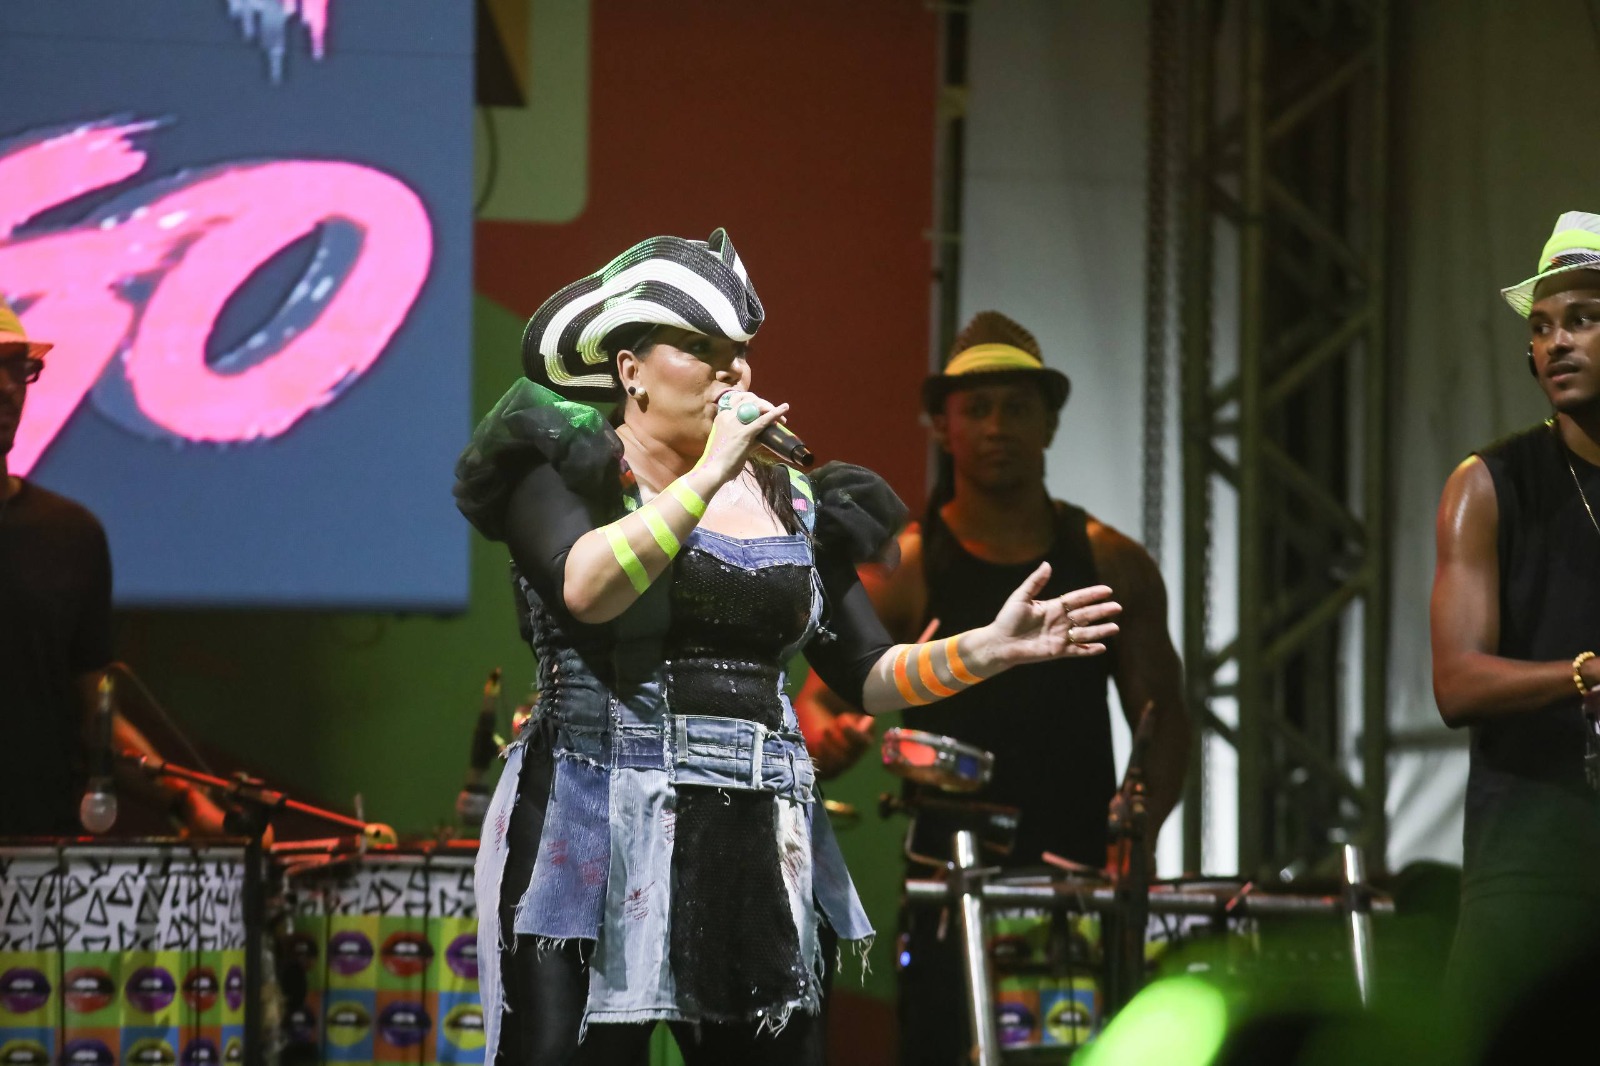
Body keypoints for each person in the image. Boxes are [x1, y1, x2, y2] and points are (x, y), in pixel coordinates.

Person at [452, 232, 1123, 1066]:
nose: (731, 371)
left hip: (750, 828)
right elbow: (588, 588)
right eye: (700, 349)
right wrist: (706, 476)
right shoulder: (568, 466)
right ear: (630, 370)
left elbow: (866, 675)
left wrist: (986, 648)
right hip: (594, 817)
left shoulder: (791, 497)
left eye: (738, 352)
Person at [794, 311, 1189, 1064]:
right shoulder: (909, 565)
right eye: (977, 408)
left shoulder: (1112, 562)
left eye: (1017, 407)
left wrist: (1138, 826)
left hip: (1077, 881)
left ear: (1050, 423)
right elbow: (819, 701)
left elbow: (1162, 714)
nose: (998, 426)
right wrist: (831, 739)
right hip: (948, 883)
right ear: (944, 426)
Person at [1430, 211, 1600, 1042]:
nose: (1555, 342)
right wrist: (1584, 674)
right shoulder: (1488, 484)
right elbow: (1456, 681)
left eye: (1582, 319)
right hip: (1530, 867)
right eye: (1541, 327)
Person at [0, 298, 227, 839]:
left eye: (17, 369)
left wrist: (188, 802)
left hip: (41, 858)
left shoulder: (68, 535)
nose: (8, 388)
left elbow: (95, 720)